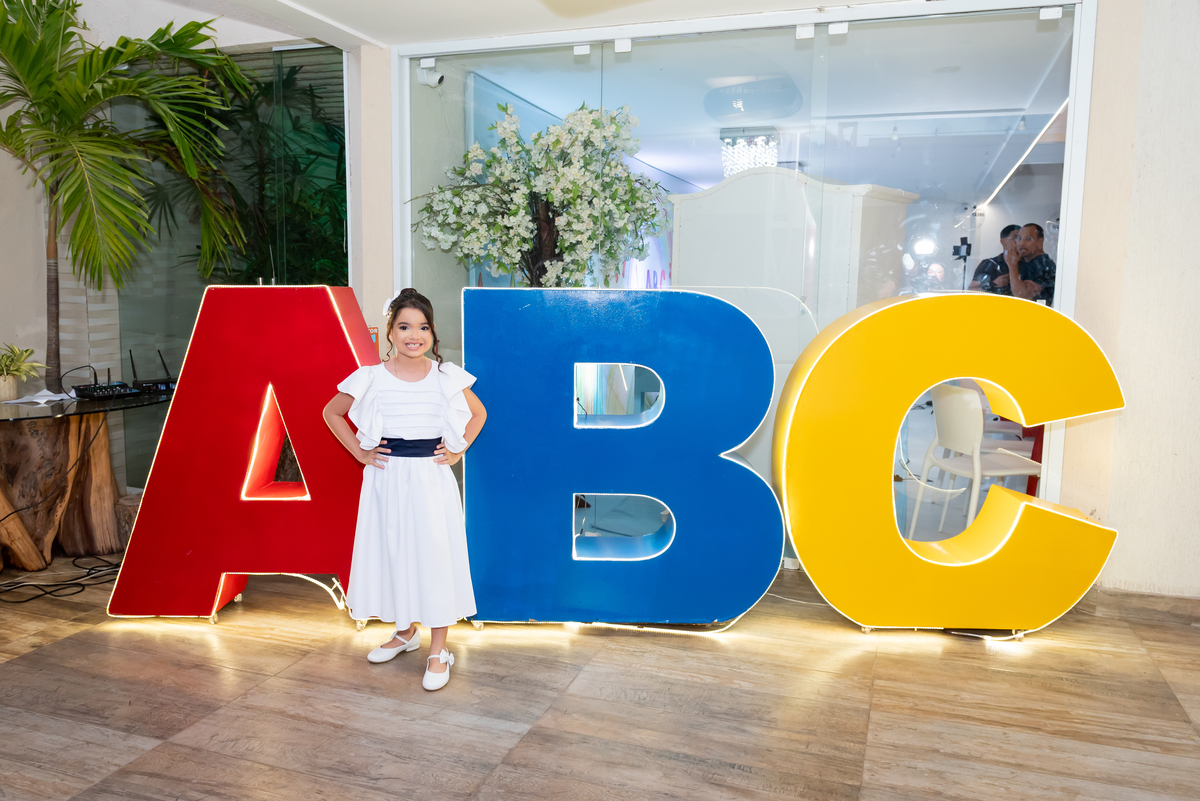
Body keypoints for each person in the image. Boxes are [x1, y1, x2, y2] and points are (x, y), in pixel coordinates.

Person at [322, 288, 487, 691]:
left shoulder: (446, 375)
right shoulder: (371, 377)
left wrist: (457, 450)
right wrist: (360, 453)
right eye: (405, 326)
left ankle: (439, 650)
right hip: (386, 479)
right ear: (391, 332)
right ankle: (405, 632)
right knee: (394, 553)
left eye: (423, 327)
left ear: (433, 333)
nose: (415, 335)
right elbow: (332, 412)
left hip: (430, 479)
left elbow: (478, 413)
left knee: (434, 558)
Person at [996, 223, 1056, 306]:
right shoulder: (1023, 262)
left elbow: (1022, 296)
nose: (1021, 243)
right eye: (1019, 238)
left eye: (1028, 239)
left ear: (1040, 241)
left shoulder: (1044, 265)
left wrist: (1012, 265)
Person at [969, 224, 1021, 293]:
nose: (1019, 242)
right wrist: (992, 284)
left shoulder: (1028, 264)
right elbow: (972, 290)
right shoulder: (988, 264)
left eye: (1021, 238)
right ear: (1003, 241)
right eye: (1015, 237)